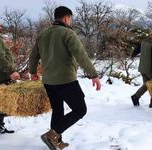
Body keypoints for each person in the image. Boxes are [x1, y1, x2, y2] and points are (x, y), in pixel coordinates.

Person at [29, 6, 101, 150]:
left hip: (48, 81)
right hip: (66, 80)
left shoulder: (43, 34)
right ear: (66, 18)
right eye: (71, 19)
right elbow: (81, 56)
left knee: (57, 110)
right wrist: (93, 75)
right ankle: (52, 135)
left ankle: (55, 141)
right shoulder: (68, 33)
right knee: (80, 110)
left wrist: (33, 72)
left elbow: (33, 56)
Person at [131, 30, 152, 108]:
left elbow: (138, 49)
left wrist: (133, 55)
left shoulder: (144, 41)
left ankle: (136, 96)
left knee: (147, 85)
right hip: (150, 70)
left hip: (142, 68)